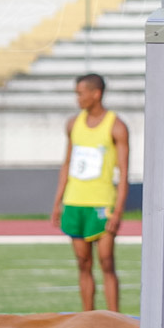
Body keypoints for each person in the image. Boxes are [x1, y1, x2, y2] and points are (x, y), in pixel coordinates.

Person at [51, 73, 130, 312]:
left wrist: (118, 211)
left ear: (96, 94)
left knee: (106, 262)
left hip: (101, 202)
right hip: (75, 201)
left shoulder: (116, 126)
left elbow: (125, 173)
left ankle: (114, 319)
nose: (78, 98)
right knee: (83, 263)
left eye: (80, 93)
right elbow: (67, 164)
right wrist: (58, 202)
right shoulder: (73, 124)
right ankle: (88, 317)